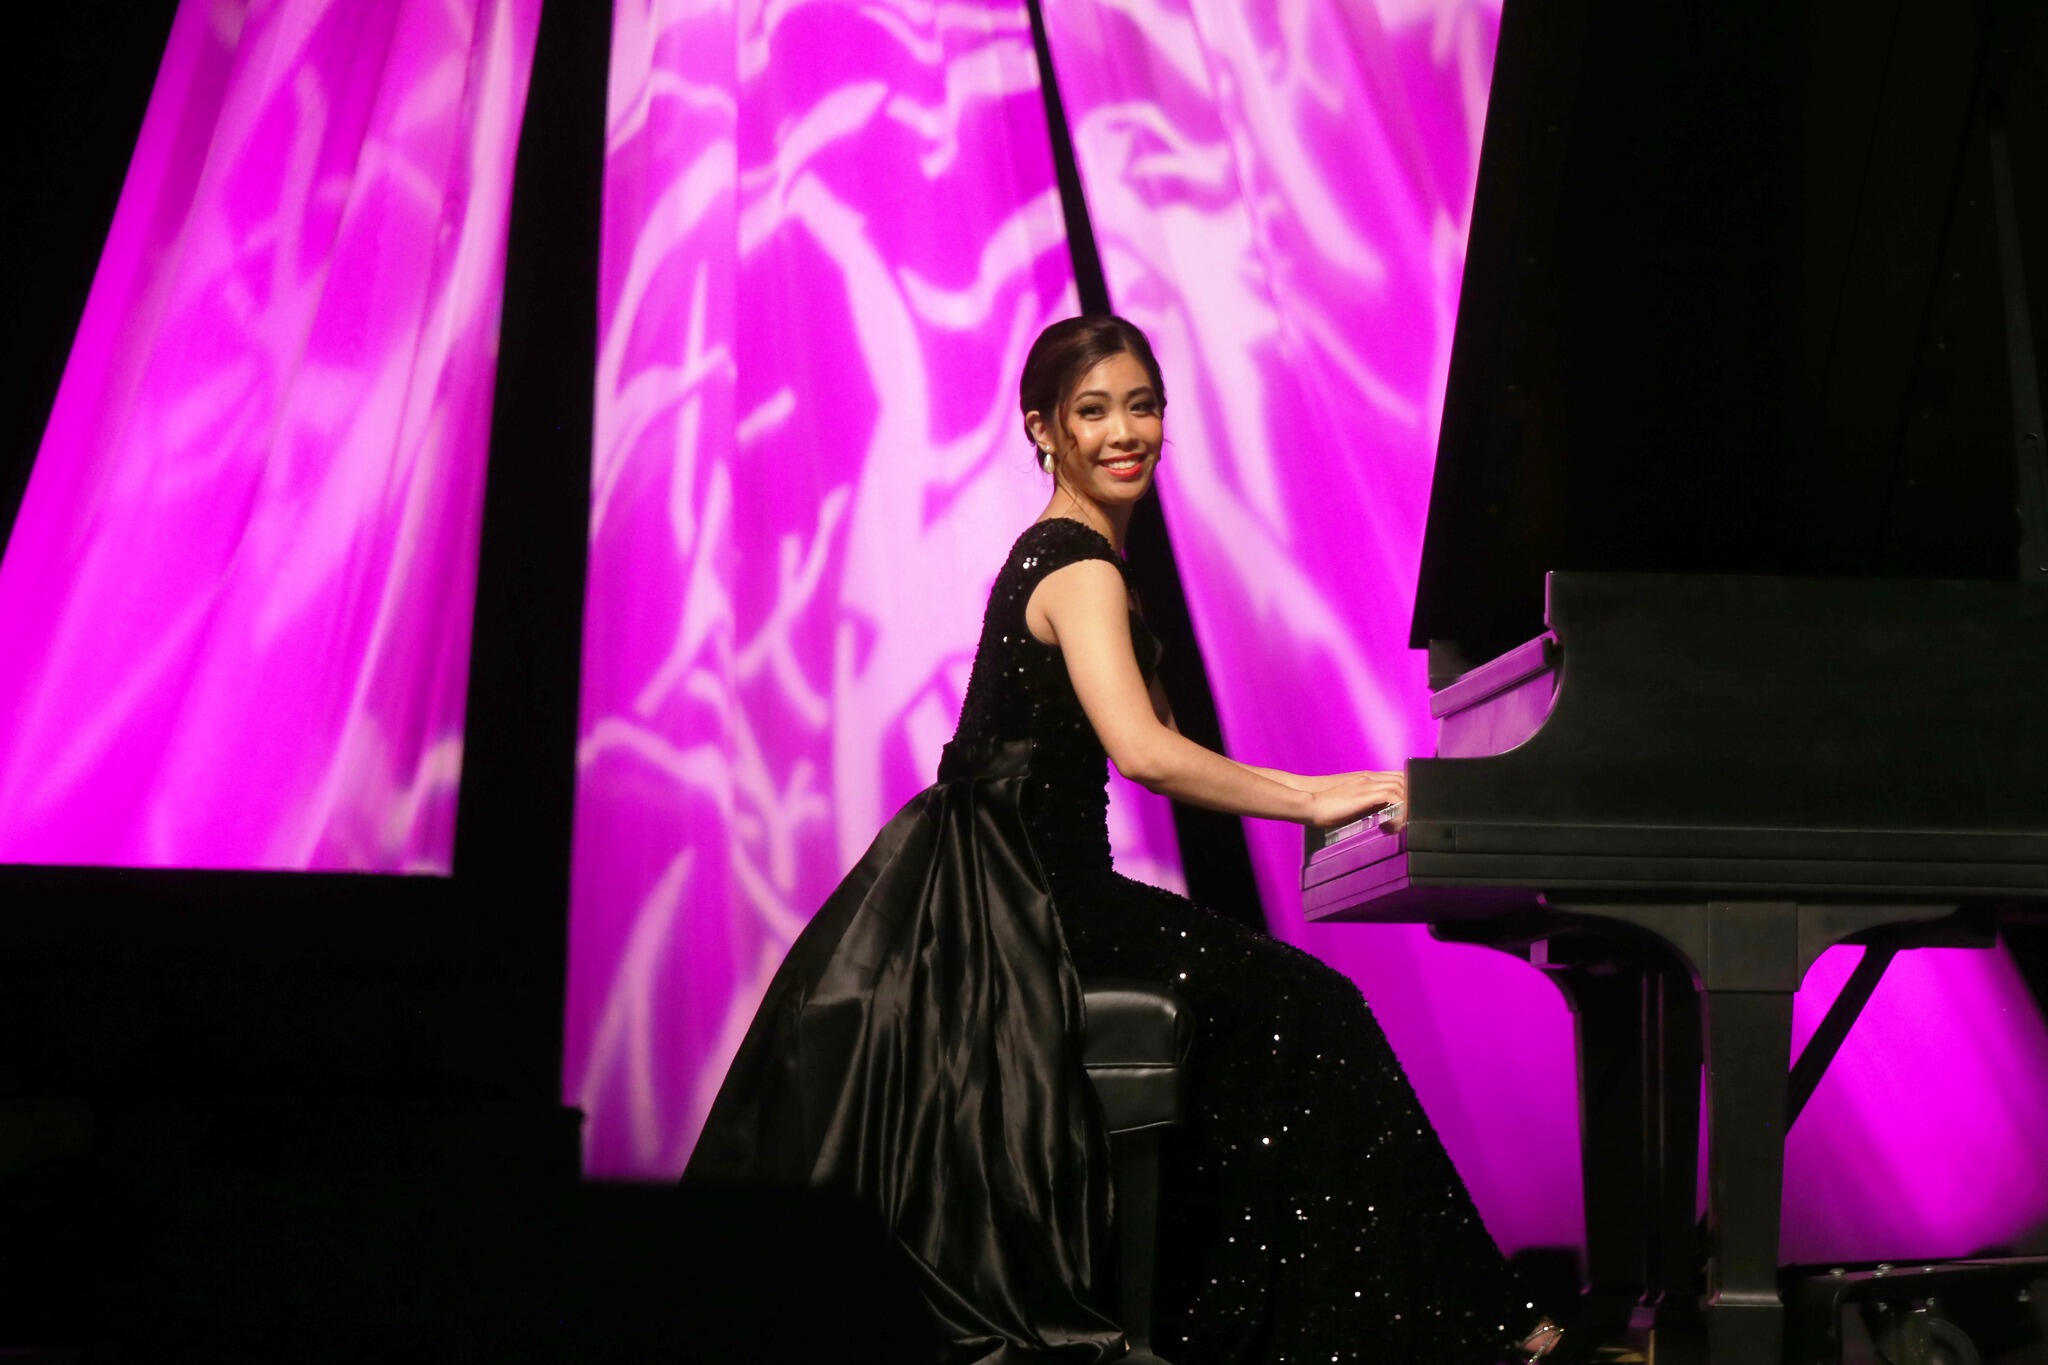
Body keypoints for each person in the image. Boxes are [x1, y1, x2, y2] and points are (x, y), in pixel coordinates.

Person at [684, 315, 1563, 1364]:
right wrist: (1323, 795)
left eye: (1140, 405)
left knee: (1278, 1006)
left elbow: (1169, 748)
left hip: (1014, 879)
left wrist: (1308, 803)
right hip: (1028, 897)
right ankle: (1455, 1332)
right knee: (1313, 1005)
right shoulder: (1080, 568)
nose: (1124, 431)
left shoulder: (1083, 557)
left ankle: (1284, 1319)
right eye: (1093, 410)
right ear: (1041, 430)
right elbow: (1145, 755)